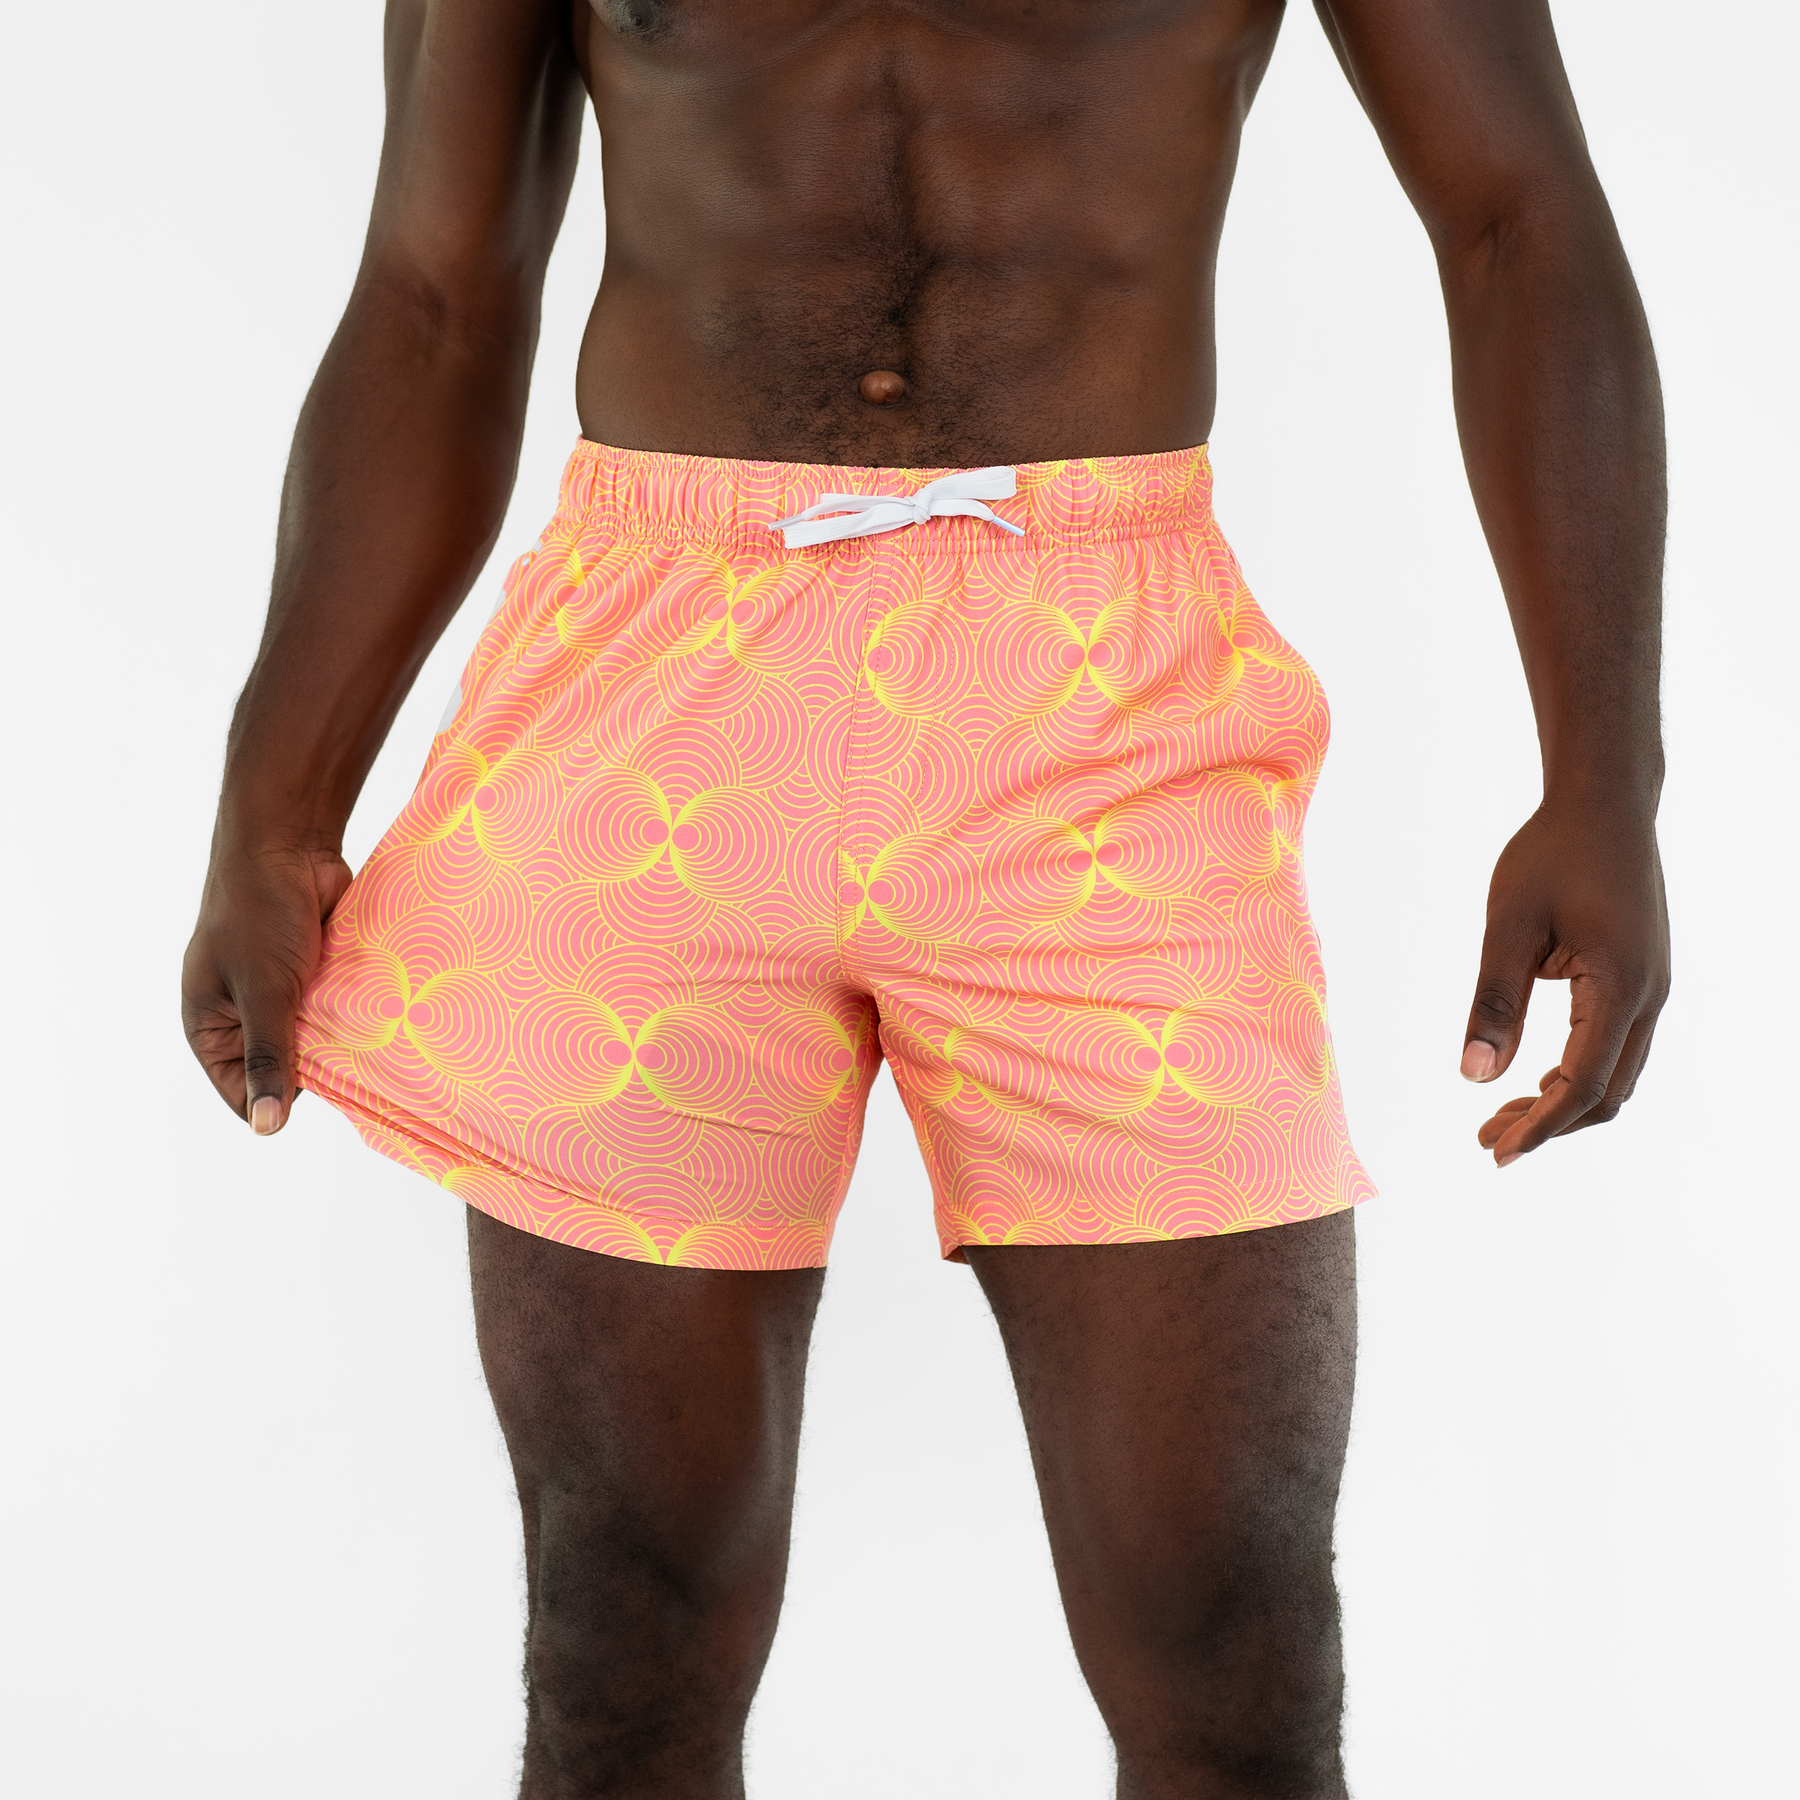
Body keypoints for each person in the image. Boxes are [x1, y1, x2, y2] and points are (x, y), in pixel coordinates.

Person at [181, 1, 1669, 1793]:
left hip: (1106, 698)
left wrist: (1607, 774)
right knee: (622, 1619)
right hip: (652, 697)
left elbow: (1518, 217)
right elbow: (434, 290)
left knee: (1232, 1628)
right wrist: (275, 799)